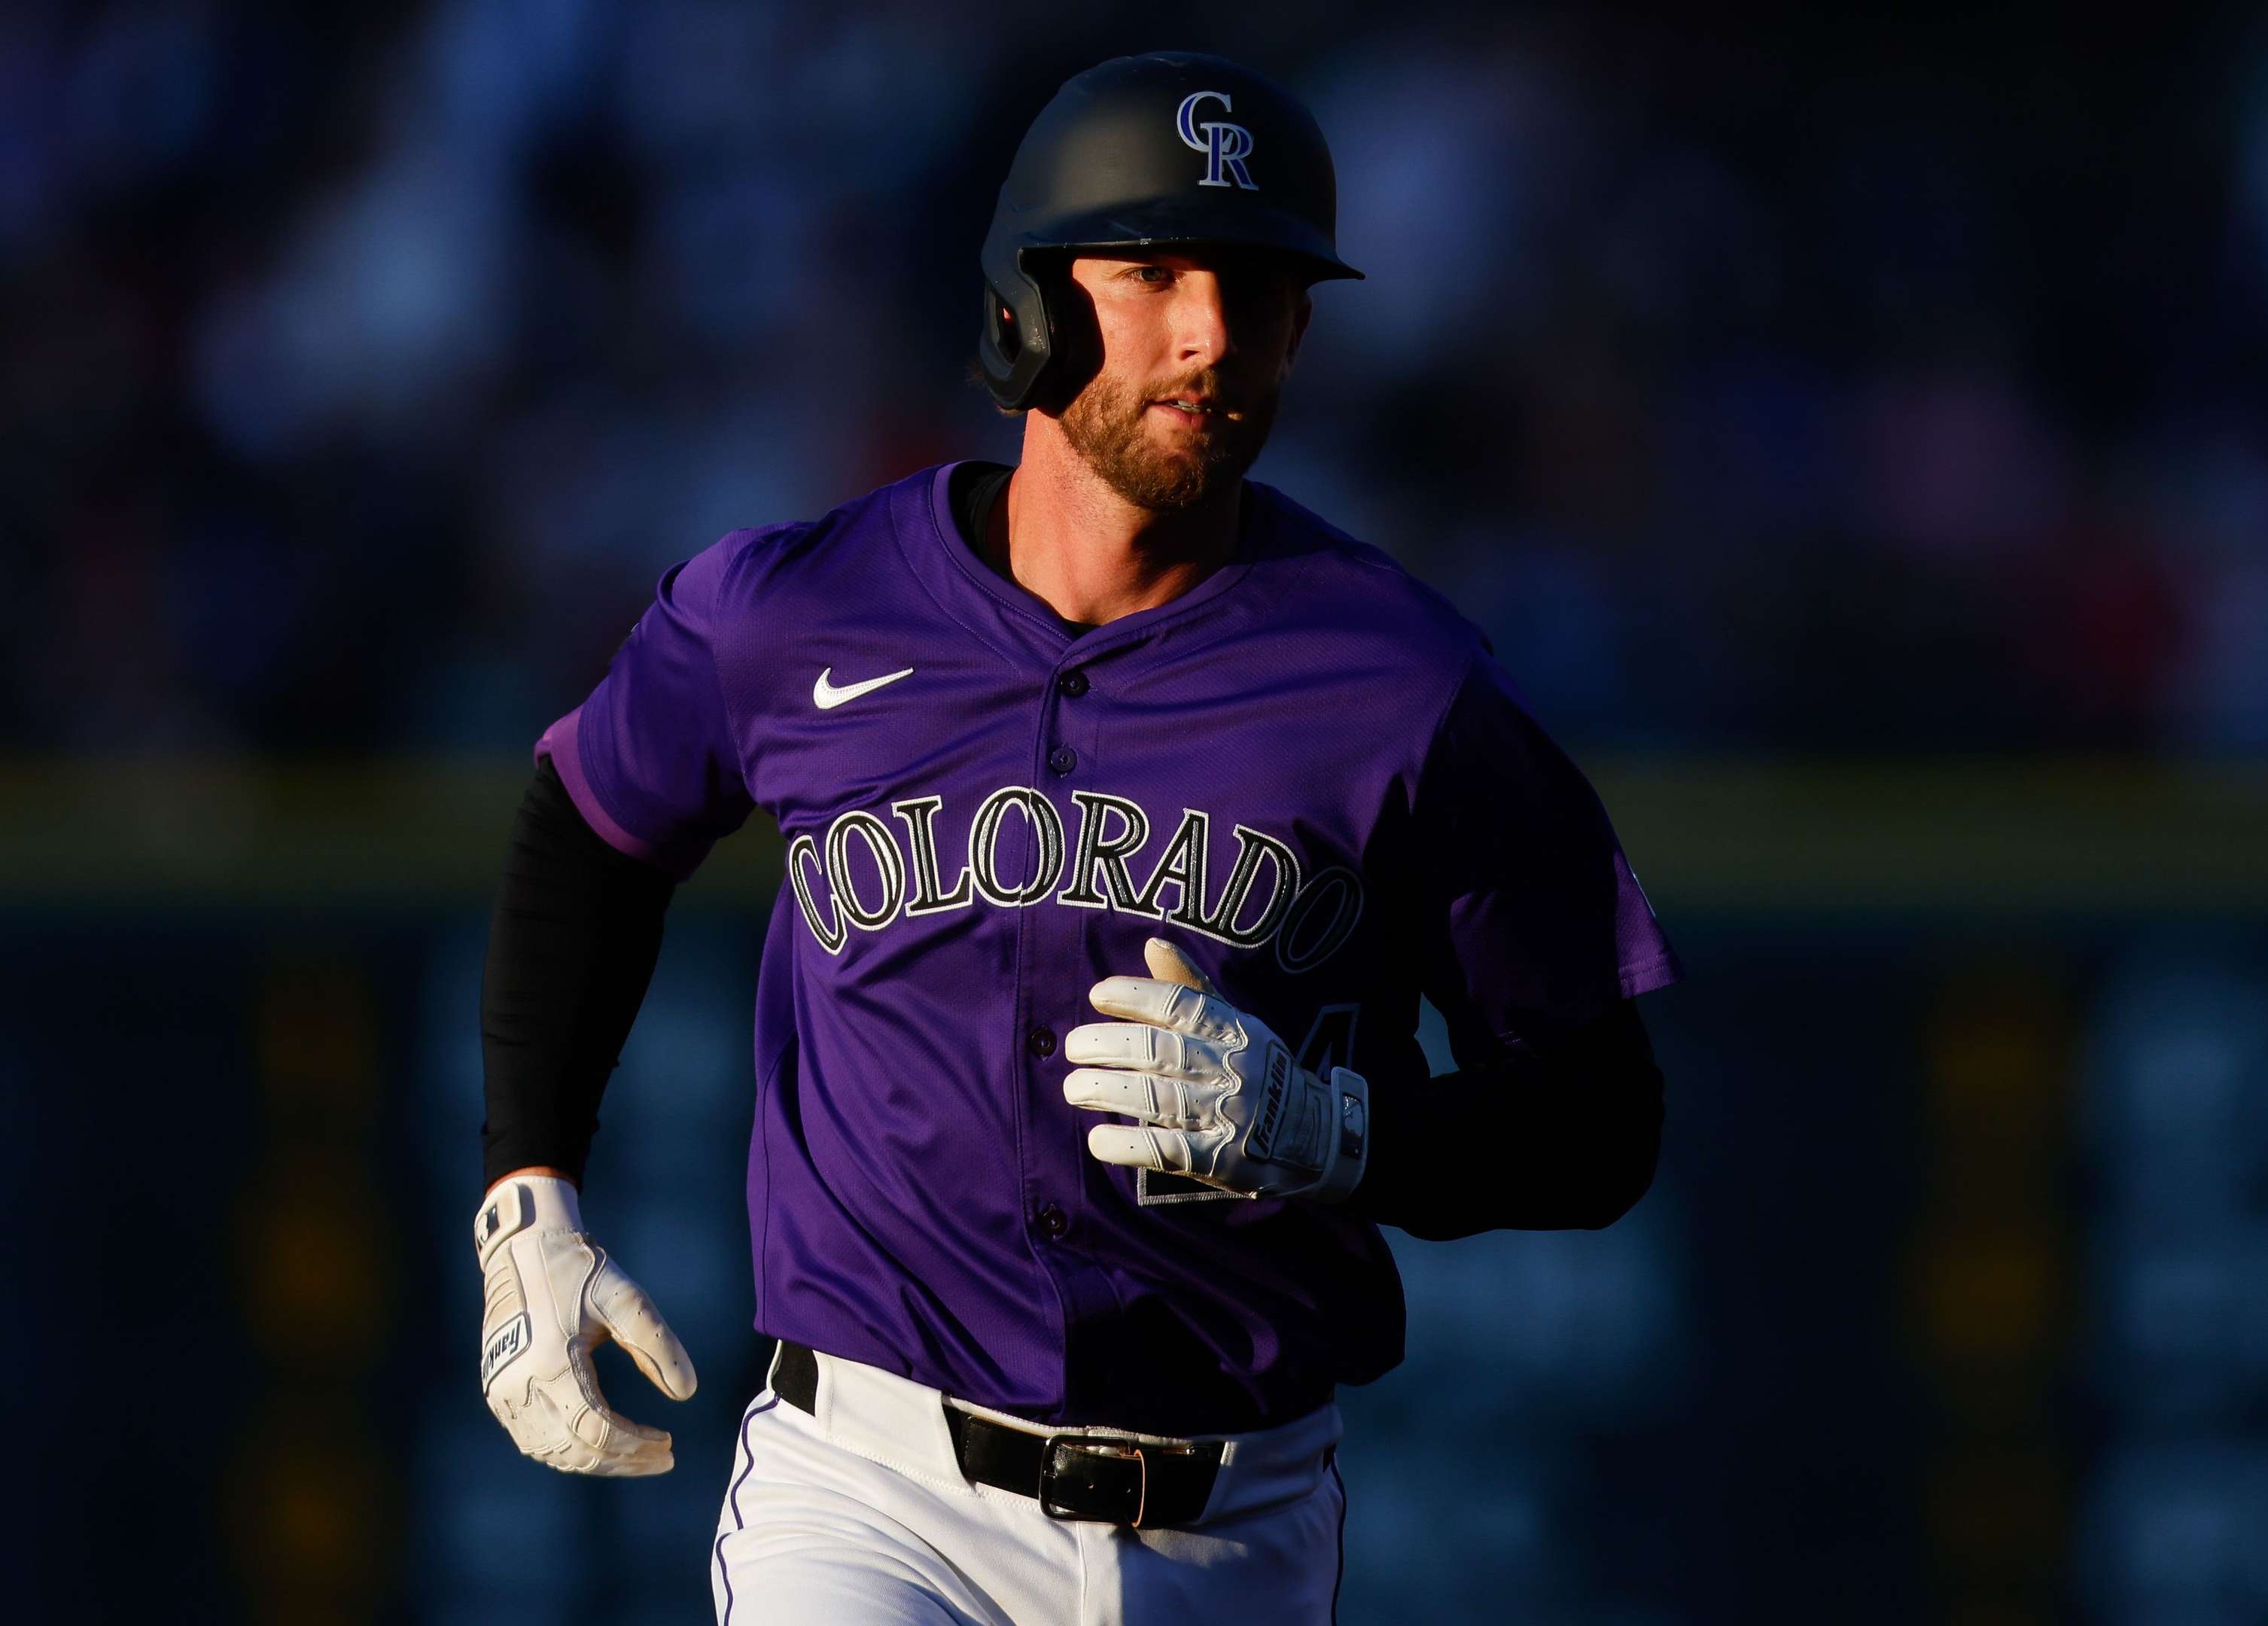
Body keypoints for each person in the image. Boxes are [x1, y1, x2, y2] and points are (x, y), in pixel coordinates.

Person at [470, 50, 1678, 1624]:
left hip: (1227, 1523)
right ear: (1025, 305)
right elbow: (593, 825)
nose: (1209, 334)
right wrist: (527, 1195)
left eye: (1260, 288)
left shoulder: (1407, 687)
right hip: (870, 1490)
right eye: (1154, 270)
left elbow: (1602, 1116)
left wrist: (1346, 1135)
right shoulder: (798, 609)